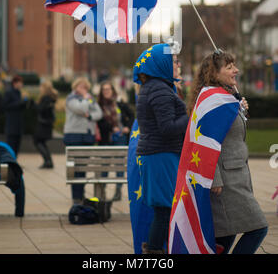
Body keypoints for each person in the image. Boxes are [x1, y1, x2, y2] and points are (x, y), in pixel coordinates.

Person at [187, 50, 268, 254]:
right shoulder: (213, 99)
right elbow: (205, 139)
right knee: (258, 227)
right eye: (229, 66)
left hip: (237, 175)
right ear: (214, 73)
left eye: (235, 65)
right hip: (225, 181)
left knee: (225, 234)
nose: (236, 70)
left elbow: (229, 131)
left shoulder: (225, 97)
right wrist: (213, 178)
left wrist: (238, 108)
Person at [133, 43, 189, 254]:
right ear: (162, 64)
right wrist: (189, 115)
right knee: (164, 210)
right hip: (161, 155)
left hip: (158, 154)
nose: (177, 64)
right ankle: (155, 253)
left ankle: (156, 250)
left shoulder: (156, 87)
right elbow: (167, 128)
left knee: (163, 210)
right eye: (174, 61)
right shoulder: (159, 89)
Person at [63, 77, 102, 204]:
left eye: (85, 87)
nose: (83, 89)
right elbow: (80, 109)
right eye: (81, 87)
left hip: (87, 136)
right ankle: (76, 196)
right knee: (76, 168)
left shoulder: (89, 99)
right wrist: (86, 99)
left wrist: (90, 116)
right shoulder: (71, 99)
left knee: (83, 168)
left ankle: (81, 194)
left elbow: (99, 113)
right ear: (75, 87)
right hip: (74, 136)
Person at [97, 80, 134, 201]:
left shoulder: (119, 103)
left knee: (119, 164)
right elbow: (100, 122)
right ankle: (103, 190)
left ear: (113, 90)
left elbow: (132, 115)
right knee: (105, 165)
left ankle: (118, 191)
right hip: (106, 138)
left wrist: (127, 127)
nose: (107, 91)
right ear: (101, 92)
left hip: (120, 137)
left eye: (109, 89)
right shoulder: (98, 106)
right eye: (104, 90)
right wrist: (112, 128)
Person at [33, 81, 58, 169]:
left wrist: (34, 104)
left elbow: (40, 109)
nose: (40, 88)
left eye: (41, 87)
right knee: (41, 142)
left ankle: (48, 161)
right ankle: (48, 161)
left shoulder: (46, 98)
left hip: (43, 123)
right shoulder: (51, 98)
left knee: (37, 141)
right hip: (47, 123)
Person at [3, 75, 28, 157]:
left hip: (18, 124)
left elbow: (20, 107)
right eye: (20, 83)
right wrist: (20, 103)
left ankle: (14, 162)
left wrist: (25, 103)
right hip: (11, 125)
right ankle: (10, 162)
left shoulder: (19, 92)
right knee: (11, 146)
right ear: (15, 83)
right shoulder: (9, 92)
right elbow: (6, 106)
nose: (21, 85)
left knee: (17, 146)